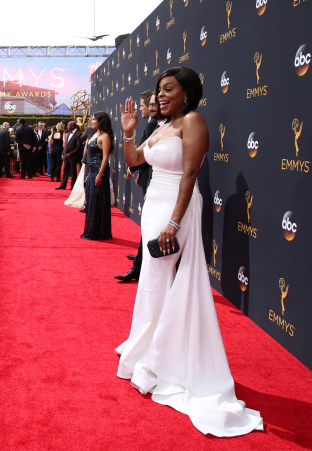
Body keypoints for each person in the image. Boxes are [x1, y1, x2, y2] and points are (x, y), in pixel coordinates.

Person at [116, 67, 263, 436]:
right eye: (158, 90)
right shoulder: (162, 127)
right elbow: (135, 161)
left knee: (159, 280)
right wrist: (130, 131)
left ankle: (160, 362)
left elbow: (190, 173)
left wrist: (175, 223)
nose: (160, 96)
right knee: (152, 281)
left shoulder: (193, 121)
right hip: (154, 208)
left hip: (175, 210)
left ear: (187, 93)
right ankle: (148, 351)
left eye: (168, 89)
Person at [117, 90, 161, 282]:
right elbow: (135, 158)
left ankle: (141, 265)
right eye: (149, 104)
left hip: (167, 193)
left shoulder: (186, 125)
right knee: (149, 229)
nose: (151, 108)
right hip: (155, 189)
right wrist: (128, 133)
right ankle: (140, 265)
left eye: (154, 104)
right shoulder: (158, 128)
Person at [80, 112, 113, 240]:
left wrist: (100, 174)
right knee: (91, 201)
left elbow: (105, 158)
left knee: (98, 201)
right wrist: (90, 174)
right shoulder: (94, 134)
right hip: (92, 171)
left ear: (101, 121)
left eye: (94, 119)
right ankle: (92, 230)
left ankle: (99, 232)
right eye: (91, 119)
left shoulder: (105, 136)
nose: (91, 121)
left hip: (100, 171)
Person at [56, 121, 81, 190]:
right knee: (65, 171)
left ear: (73, 126)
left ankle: (73, 186)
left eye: (69, 126)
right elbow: (66, 146)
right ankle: (63, 185)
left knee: (73, 172)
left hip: (73, 156)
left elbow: (78, 146)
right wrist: (63, 154)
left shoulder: (78, 134)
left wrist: (71, 153)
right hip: (66, 156)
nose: (67, 127)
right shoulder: (68, 133)